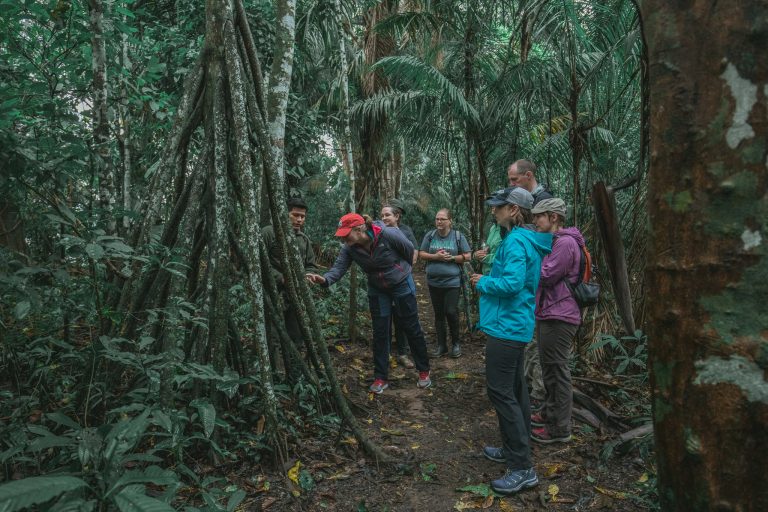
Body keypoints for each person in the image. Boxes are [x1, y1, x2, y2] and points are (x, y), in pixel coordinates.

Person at [469, 187, 552, 495]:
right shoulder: (522, 239)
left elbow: (514, 283)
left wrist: (484, 282)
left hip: (507, 328)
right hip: (513, 325)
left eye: (499, 207)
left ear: (515, 210)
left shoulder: (517, 240)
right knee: (516, 391)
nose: (494, 211)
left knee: (501, 392)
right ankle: (514, 450)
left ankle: (522, 469)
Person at [306, 213, 431, 393]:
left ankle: (424, 371)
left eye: (346, 233)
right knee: (380, 331)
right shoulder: (349, 247)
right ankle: (381, 377)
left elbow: (409, 250)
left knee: (411, 327)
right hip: (378, 289)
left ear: (359, 229)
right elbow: (339, 268)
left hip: (401, 284)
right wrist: (324, 280)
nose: (343, 238)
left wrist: (400, 271)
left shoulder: (387, 234)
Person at [530, 198, 583, 444]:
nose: (535, 221)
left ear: (553, 217)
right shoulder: (556, 242)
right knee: (550, 368)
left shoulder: (565, 243)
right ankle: (549, 412)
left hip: (560, 314)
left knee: (557, 371)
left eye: (539, 216)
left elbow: (547, 275)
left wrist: (529, 259)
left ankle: (560, 429)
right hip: (550, 312)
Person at [507, 160, 551, 407]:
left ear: (529, 176)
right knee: (529, 344)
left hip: (542, 289)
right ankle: (526, 389)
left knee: (537, 345)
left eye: (514, 180)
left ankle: (537, 396)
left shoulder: (542, 200)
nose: (511, 185)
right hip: (530, 290)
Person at [262, 197, 319, 346]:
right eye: (295, 215)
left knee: (296, 334)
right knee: (273, 335)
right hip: (273, 291)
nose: (299, 219)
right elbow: (259, 262)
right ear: (285, 214)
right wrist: (280, 278)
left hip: (296, 293)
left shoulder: (304, 240)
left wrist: (308, 275)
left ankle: (296, 364)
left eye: (302, 216)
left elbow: (311, 264)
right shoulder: (269, 232)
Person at [419, 209, 471, 358]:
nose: (439, 222)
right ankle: (442, 346)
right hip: (433, 282)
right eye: (437, 219)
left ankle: (456, 344)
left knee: (451, 311)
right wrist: (436, 256)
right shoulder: (430, 235)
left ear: (450, 221)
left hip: (452, 282)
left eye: (442, 219)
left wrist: (452, 258)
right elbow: (421, 254)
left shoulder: (457, 236)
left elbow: (467, 256)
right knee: (439, 314)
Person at [380, 203, 417, 369]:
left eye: (389, 214)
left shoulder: (406, 231)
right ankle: (385, 353)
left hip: (402, 279)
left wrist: (406, 268)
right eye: (383, 215)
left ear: (397, 215)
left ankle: (403, 353)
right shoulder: (379, 229)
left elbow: (413, 251)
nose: (385, 218)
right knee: (385, 318)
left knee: (402, 317)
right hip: (383, 283)